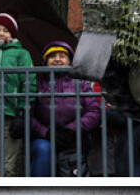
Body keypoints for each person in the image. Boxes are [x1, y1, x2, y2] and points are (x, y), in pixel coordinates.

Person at [0, 12, 36, 177]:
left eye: (5, 30)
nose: (1, 33)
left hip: (11, 115)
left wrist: (23, 111)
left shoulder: (21, 54)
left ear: (12, 34)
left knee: (8, 167)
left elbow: (28, 81)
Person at [30, 41, 100, 177]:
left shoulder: (81, 84)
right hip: (45, 138)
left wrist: (72, 129)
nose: (57, 59)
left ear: (69, 61)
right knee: (42, 149)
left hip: (75, 138)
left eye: (62, 56)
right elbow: (28, 115)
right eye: (52, 56)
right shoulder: (37, 84)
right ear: (45, 62)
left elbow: (95, 111)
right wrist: (46, 133)